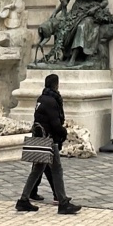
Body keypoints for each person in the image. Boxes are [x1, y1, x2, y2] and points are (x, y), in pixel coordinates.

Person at [16, 74, 80, 214]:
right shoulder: (52, 101)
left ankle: (23, 200)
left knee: (38, 169)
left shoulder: (41, 99)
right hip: (48, 140)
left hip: (41, 138)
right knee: (56, 169)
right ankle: (63, 203)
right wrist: (63, 133)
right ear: (55, 85)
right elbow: (55, 123)